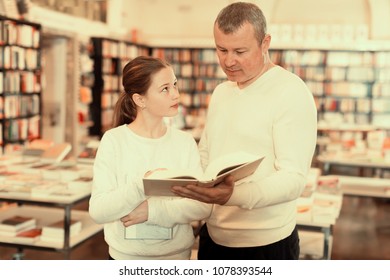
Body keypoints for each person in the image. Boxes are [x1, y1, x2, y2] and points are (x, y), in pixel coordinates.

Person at [171, 2, 317, 260]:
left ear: (265, 43)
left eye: (240, 51)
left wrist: (232, 195)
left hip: (267, 242)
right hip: (214, 235)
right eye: (221, 49)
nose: (228, 61)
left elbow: (293, 178)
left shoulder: (291, 92)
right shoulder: (221, 92)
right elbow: (206, 153)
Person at [89, 56, 211, 260]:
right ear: (140, 99)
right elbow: (99, 211)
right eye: (165, 89)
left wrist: (151, 211)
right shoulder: (114, 141)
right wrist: (142, 186)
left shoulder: (184, 142)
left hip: (176, 258)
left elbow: (201, 205)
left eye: (175, 85)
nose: (176, 94)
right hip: (125, 260)